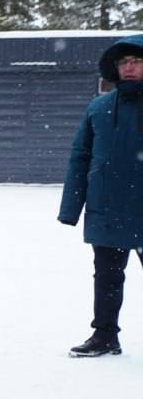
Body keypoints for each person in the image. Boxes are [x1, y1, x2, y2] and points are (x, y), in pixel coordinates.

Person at [58, 33, 143, 358]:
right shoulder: (100, 107)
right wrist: (71, 208)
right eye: (124, 62)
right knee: (107, 277)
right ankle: (105, 335)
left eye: (136, 61)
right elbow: (80, 156)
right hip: (108, 209)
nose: (129, 67)